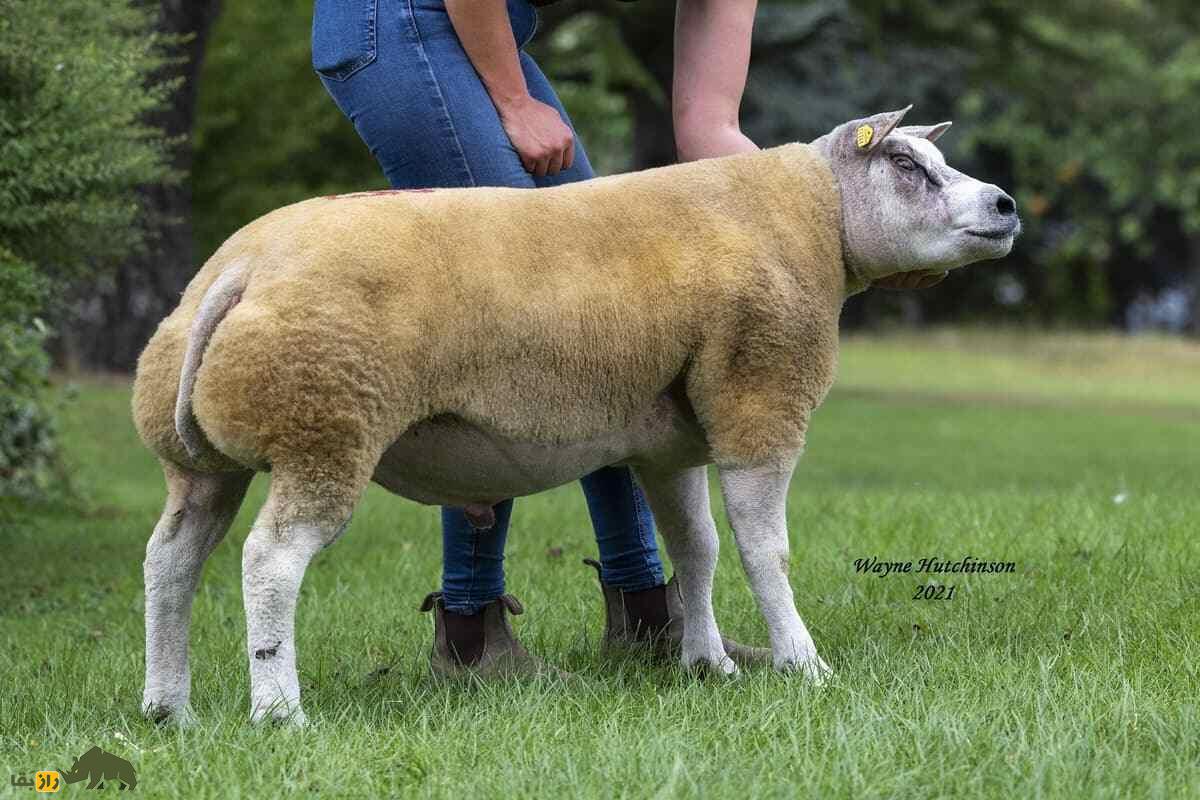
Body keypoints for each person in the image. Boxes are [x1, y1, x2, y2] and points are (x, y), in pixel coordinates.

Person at [312, 0, 763, 675]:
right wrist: (516, 101)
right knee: (528, 320)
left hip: (480, 29)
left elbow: (711, 132)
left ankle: (644, 615)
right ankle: (471, 636)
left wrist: (814, 239)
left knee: (616, 320)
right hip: (397, 18)